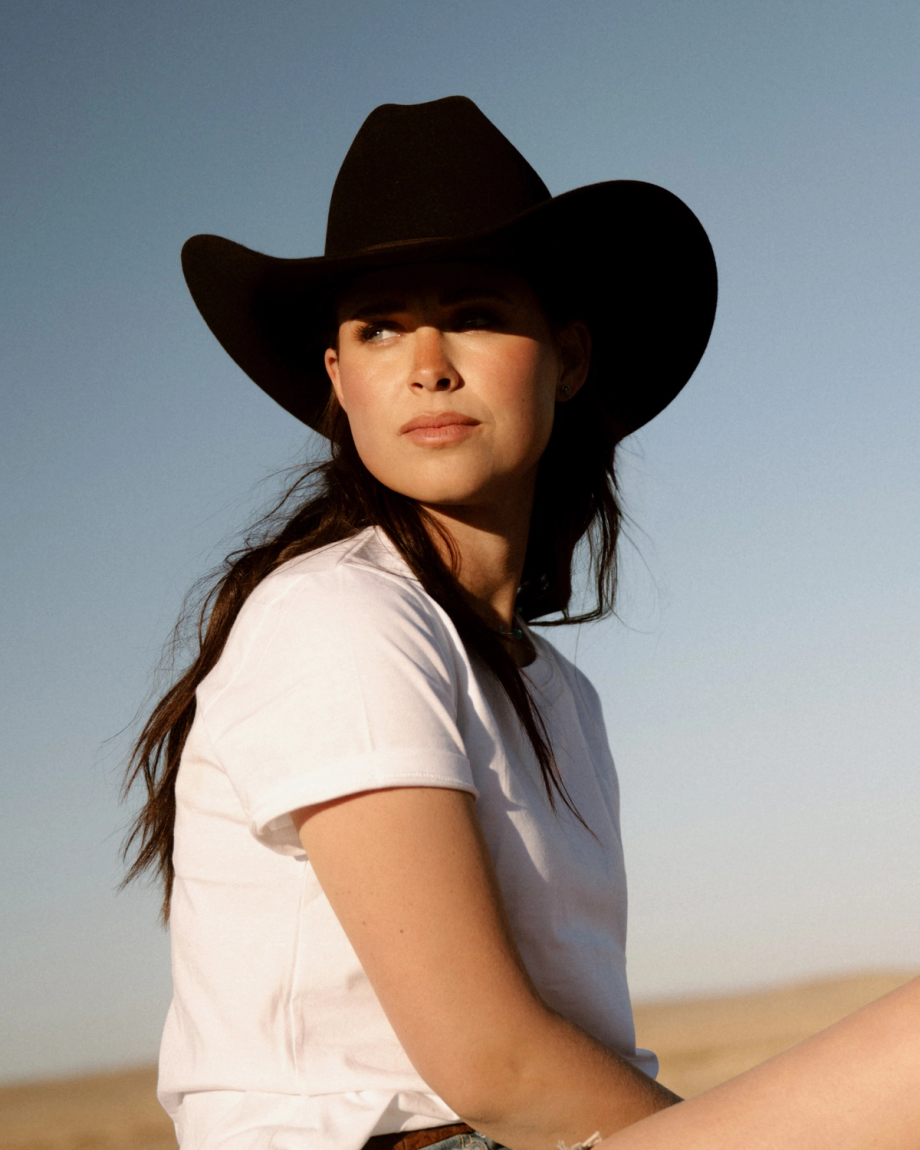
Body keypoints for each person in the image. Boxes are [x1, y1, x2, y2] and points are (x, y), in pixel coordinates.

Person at [123, 97, 918, 1150]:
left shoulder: (553, 690)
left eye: (474, 313)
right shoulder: (338, 615)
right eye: (380, 328)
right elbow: (491, 1065)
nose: (427, 363)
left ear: (568, 355)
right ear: (338, 381)